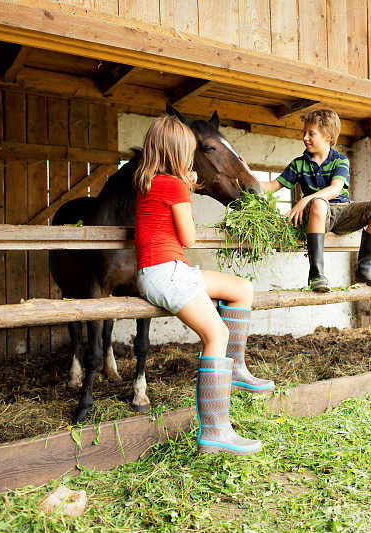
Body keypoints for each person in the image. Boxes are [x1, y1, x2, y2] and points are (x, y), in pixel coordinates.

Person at [133, 115, 272, 456]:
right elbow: (190, 237)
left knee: (242, 288)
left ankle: (236, 368)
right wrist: (188, 190)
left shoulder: (150, 181)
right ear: (180, 152)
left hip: (161, 270)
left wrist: (187, 187)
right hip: (167, 272)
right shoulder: (175, 185)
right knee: (217, 336)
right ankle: (215, 431)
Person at [260, 108, 371, 292]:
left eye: (311, 133)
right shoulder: (299, 163)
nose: (305, 137)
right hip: (316, 215)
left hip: (343, 211)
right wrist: (244, 176)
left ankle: (365, 268)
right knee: (319, 203)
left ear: (328, 136)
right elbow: (273, 186)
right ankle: (316, 275)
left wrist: (303, 200)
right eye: (304, 133)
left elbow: (335, 189)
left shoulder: (340, 160)